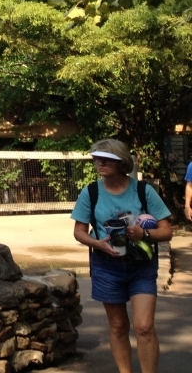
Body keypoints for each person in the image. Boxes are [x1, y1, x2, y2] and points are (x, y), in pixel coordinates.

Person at [71, 139, 172, 373]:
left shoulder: (143, 191)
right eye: (97, 158)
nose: (100, 163)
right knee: (118, 326)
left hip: (141, 266)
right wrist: (98, 243)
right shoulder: (91, 192)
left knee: (144, 326)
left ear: (121, 162)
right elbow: (79, 232)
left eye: (107, 159)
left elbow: (166, 231)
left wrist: (143, 233)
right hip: (107, 265)